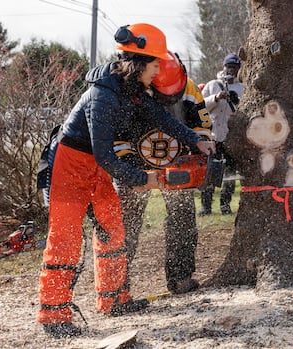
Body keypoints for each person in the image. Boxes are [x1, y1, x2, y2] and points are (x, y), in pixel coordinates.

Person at [36, 23, 215, 338]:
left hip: (96, 167)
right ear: (140, 62)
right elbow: (106, 155)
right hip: (70, 164)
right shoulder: (103, 96)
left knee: (112, 229)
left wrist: (194, 140)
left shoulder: (131, 91)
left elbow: (159, 118)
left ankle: (114, 299)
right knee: (66, 238)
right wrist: (143, 178)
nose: (159, 69)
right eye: (156, 63)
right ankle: (53, 314)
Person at [115, 50, 212, 296]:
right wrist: (130, 170)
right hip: (136, 164)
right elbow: (116, 135)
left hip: (177, 164)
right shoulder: (130, 90)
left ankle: (180, 277)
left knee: (183, 219)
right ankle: (116, 283)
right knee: (124, 223)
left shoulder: (189, 88)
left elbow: (202, 124)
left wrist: (203, 146)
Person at [199, 53, 244, 215]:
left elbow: (246, 112)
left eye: (235, 68)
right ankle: (206, 206)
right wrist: (216, 98)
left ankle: (225, 204)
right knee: (209, 172)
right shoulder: (212, 85)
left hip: (231, 138)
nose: (231, 71)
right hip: (213, 136)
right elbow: (201, 107)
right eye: (229, 67)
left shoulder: (242, 87)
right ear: (223, 67)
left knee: (230, 173)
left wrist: (236, 101)